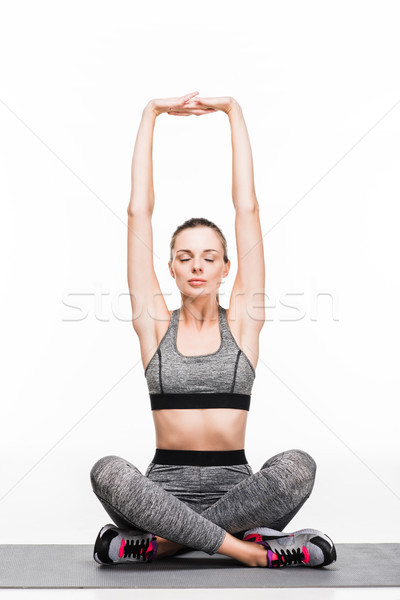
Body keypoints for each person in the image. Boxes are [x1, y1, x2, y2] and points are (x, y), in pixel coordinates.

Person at [89, 92, 337, 569]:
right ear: (172, 269)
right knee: (107, 471)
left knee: (298, 465)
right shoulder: (154, 325)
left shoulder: (243, 322)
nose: (196, 266)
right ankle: (249, 549)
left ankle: (164, 546)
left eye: (208, 257)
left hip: (240, 492)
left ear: (227, 268)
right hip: (159, 494)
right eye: (185, 258)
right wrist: (150, 115)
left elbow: (249, 211)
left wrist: (234, 113)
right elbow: (137, 214)